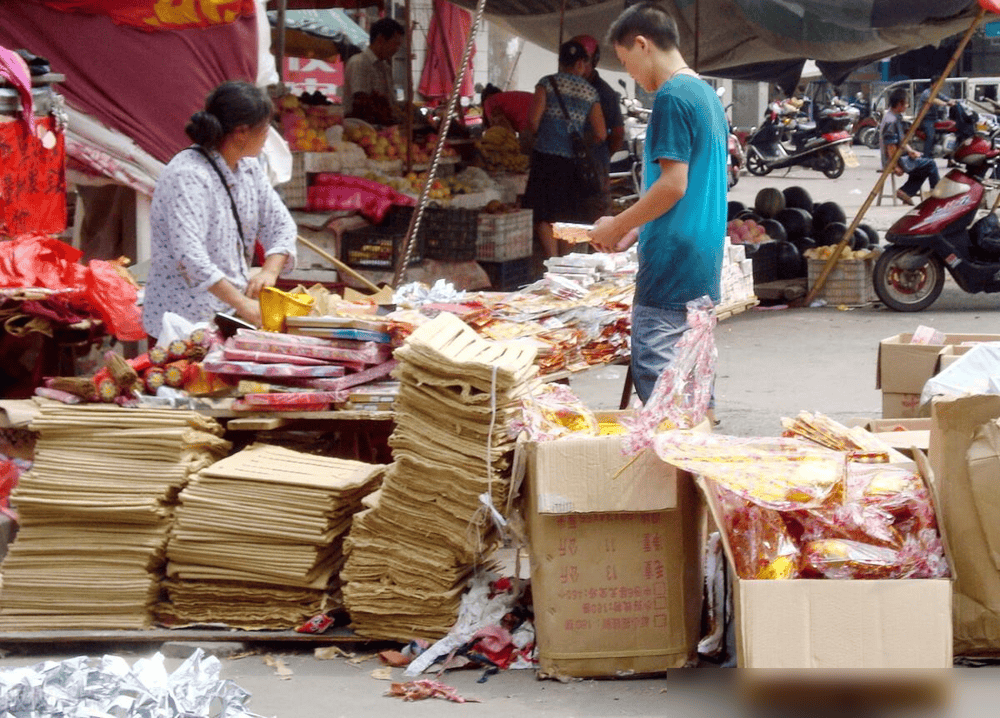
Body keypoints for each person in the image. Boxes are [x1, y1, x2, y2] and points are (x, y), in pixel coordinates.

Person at [589, 3, 727, 409]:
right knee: (694, 391)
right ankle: (697, 467)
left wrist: (615, 224)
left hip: (671, 265)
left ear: (642, 44)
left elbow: (673, 185)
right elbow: (691, 184)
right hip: (701, 262)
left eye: (625, 60)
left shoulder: (671, 97)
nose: (628, 72)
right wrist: (636, 229)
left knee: (663, 393)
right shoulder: (705, 94)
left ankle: (676, 470)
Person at [143, 81, 296, 337]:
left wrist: (269, 271)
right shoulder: (188, 175)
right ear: (241, 132)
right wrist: (243, 303)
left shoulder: (249, 168)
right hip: (182, 323)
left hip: (228, 316)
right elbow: (190, 257)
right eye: (266, 126)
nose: (269, 133)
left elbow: (281, 225)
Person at [523, 40, 607, 258]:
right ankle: (564, 262)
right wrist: (581, 139)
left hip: (545, 159)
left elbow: (532, 122)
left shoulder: (547, 84)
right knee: (570, 214)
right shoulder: (590, 92)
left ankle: (551, 260)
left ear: (561, 61)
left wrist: (540, 135)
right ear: (580, 63)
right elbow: (601, 133)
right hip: (573, 163)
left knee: (544, 213)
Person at [571, 34, 625, 217]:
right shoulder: (562, 86)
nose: (578, 65)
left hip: (594, 166)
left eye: (583, 60)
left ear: (593, 61)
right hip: (567, 164)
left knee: (596, 218)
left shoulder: (604, 93)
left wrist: (600, 158)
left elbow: (618, 135)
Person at [880, 87, 940, 206]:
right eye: (906, 103)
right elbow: (890, 146)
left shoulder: (894, 117)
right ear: (900, 103)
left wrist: (911, 151)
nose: (907, 105)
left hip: (900, 156)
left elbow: (902, 141)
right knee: (931, 164)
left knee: (924, 165)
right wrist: (894, 165)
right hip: (895, 159)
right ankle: (937, 195)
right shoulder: (891, 120)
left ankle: (906, 191)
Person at [343, 18, 405, 118]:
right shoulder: (359, 63)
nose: (397, 49)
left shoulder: (385, 67)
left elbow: (390, 103)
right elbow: (360, 103)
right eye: (395, 44)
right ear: (380, 40)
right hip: (361, 128)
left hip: (384, 129)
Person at [918, 77, 956, 158]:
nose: (940, 87)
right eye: (938, 84)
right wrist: (945, 104)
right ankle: (926, 157)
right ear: (932, 85)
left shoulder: (937, 93)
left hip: (935, 119)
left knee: (950, 130)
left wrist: (954, 102)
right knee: (930, 135)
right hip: (926, 119)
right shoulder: (926, 93)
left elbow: (946, 98)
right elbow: (934, 100)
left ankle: (950, 159)